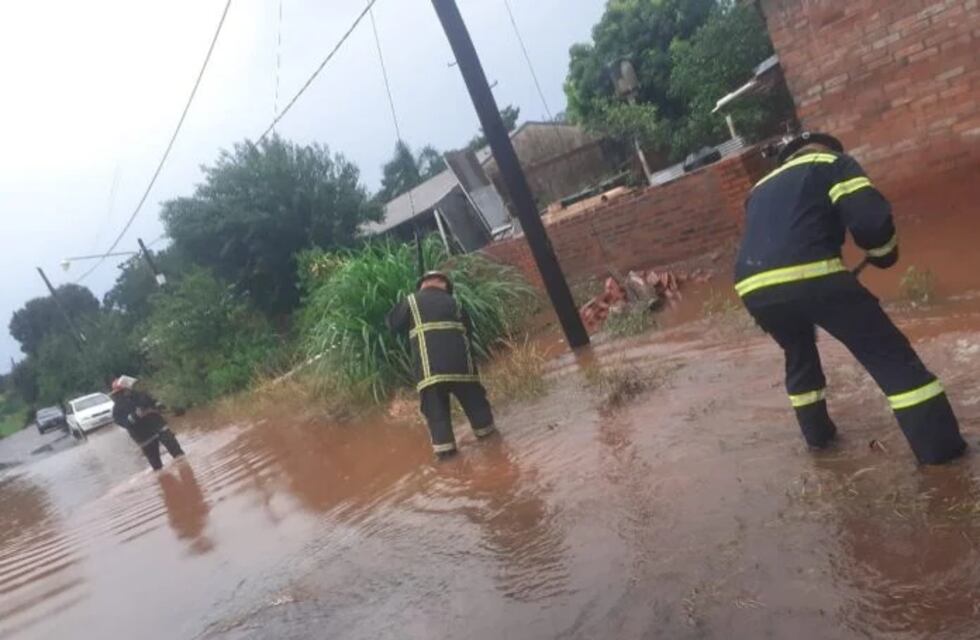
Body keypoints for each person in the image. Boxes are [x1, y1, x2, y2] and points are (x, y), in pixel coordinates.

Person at [734, 131, 966, 465]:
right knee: (891, 359)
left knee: (798, 356)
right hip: (811, 274)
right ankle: (945, 458)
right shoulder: (832, 163)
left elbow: (775, 238)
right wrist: (883, 254)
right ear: (823, 147)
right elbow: (871, 221)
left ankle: (820, 443)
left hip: (752, 287)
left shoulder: (758, 190)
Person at [387, 271, 497, 459]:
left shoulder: (411, 301)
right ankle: (495, 449)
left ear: (423, 284)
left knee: (437, 418)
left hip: (431, 373)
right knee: (479, 412)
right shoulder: (458, 303)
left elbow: (392, 324)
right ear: (445, 285)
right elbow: (468, 334)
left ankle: (449, 464)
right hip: (464, 370)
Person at [111, 375, 185, 471]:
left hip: (159, 428)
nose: (131, 388)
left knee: (179, 455)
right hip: (145, 438)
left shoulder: (140, 395)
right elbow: (123, 423)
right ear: (121, 391)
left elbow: (155, 404)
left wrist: (169, 408)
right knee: (157, 467)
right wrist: (135, 416)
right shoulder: (117, 410)